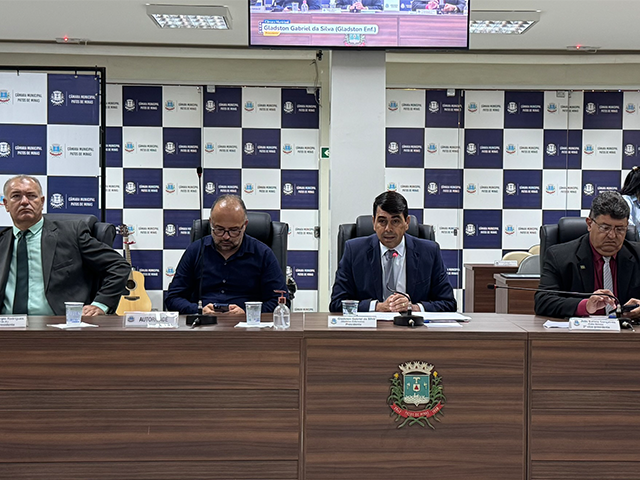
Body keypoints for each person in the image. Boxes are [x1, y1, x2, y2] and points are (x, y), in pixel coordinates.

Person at [0, 175, 130, 316]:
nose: (25, 201)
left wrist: (100, 304)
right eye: (16, 196)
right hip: (7, 324)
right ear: (6, 204)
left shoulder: (71, 233)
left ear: (42, 202)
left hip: (60, 323)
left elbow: (119, 266)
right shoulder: (2, 241)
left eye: (31, 196)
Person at [329, 191, 456, 313]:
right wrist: (377, 307)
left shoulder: (429, 252)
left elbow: (448, 303)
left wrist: (413, 308)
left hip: (412, 326)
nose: (388, 229)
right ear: (374, 223)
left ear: (406, 223)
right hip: (371, 327)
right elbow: (337, 304)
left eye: (395, 221)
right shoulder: (354, 251)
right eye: (382, 221)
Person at [165, 194, 287, 315]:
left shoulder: (263, 254)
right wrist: (199, 310)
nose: (226, 237)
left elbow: (281, 301)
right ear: (211, 223)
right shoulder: (196, 251)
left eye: (234, 230)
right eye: (219, 229)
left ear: (244, 225)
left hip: (246, 325)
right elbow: (172, 298)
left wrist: (248, 313)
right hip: (204, 323)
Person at [534, 191, 640, 319]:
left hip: (627, 330)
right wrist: (585, 306)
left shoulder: (637, 255)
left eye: (620, 229)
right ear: (589, 224)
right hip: (580, 330)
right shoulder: (559, 256)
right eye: (605, 228)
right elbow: (543, 302)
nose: (612, 236)